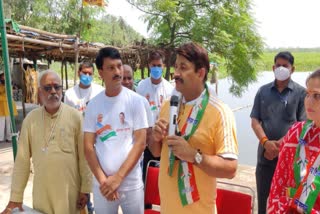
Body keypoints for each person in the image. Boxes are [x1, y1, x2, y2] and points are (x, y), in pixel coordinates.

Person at [149, 42, 238, 213]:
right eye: (175, 67)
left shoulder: (220, 112)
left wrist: (193, 156)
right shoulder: (169, 104)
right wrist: (155, 137)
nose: (176, 74)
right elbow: (156, 152)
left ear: (200, 72)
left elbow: (231, 169)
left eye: (183, 67)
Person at [1, 70, 92, 214]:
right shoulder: (31, 120)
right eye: (48, 88)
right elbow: (22, 161)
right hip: (42, 194)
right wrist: (15, 197)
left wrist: (85, 189)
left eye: (57, 87)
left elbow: (85, 157)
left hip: (70, 193)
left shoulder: (75, 117)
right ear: (40, 92)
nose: (53, 91)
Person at [84, 47, 149, 214]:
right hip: (103, 186)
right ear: (101, 73)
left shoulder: (136, 102)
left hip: (131, 184)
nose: (117, 72)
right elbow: (88, 147)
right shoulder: (93, 105)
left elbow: (141, 143)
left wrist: (118, 178)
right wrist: (105, 181)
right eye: (111, 68)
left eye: (119, 66)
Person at [250, 51, 306, 214]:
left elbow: (301, 125)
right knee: (263, 199)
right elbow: (255, 121)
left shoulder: (301, 93)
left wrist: (278, 147)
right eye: (278, 65)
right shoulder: (263, 91)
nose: (281, 68)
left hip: (289, 160)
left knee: (286, 203)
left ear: (292, 69)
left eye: (285, 66)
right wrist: (266, 143)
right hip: (264, 157)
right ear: (273, 67)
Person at [267, 69, 320, 213]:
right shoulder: (296, 133)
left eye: (317, 96)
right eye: (308, 94)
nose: (309, 101)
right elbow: (279, 183)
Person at [136, 50, 174, 182]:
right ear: (149, 66)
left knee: (163, 176)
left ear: (163, 66)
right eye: (154, 65)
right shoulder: (141, 86)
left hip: (163, 138)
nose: (156, 68)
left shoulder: (169, 89)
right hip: (147, 138)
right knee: (146, 175)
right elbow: (138, 113)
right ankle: (146, 202)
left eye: (159, 65)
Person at [0, 71, 17, 143]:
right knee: (1, 123)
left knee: (8, 123)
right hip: (1, 108)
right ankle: (0, 138)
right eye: (2, 76)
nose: (4, 77)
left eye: (5, 76)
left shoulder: (9, 85)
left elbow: (11, 95)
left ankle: (9, 137)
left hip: (8, 107)